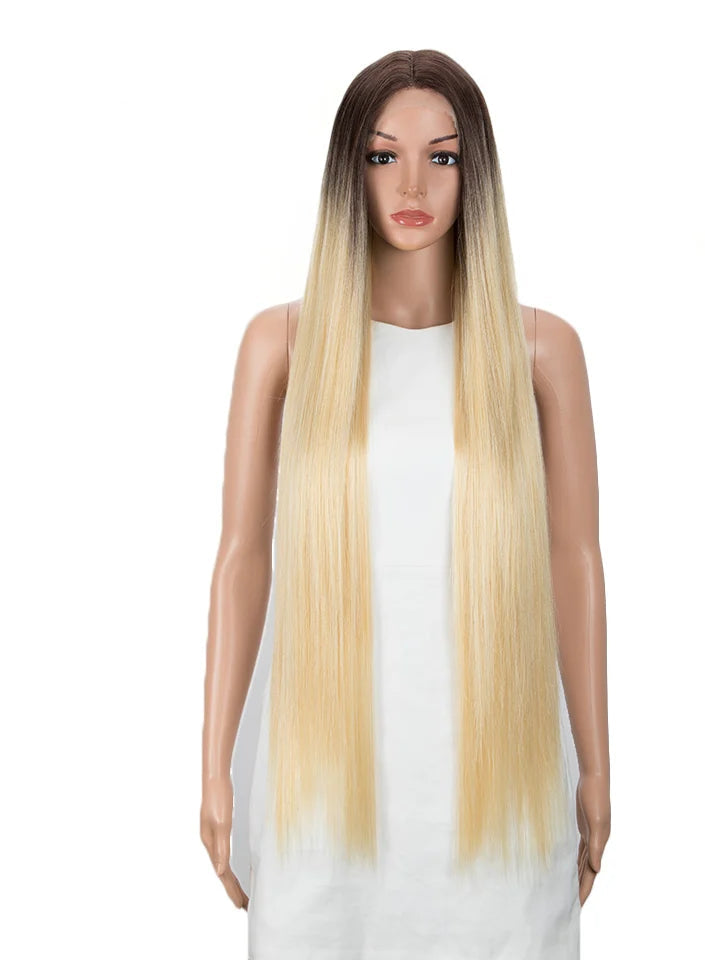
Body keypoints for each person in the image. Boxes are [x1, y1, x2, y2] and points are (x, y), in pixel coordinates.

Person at [200, 49, 610, 959]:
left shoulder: (543, 352)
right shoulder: (282, 346)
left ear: (477, 173)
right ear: (348, 172)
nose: (413, 184)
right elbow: (241, 556)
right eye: (383, 156)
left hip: (500, 795)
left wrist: (595, 766)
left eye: (444, 156)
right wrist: (216, 767)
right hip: (322, 796)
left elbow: (574, 558)